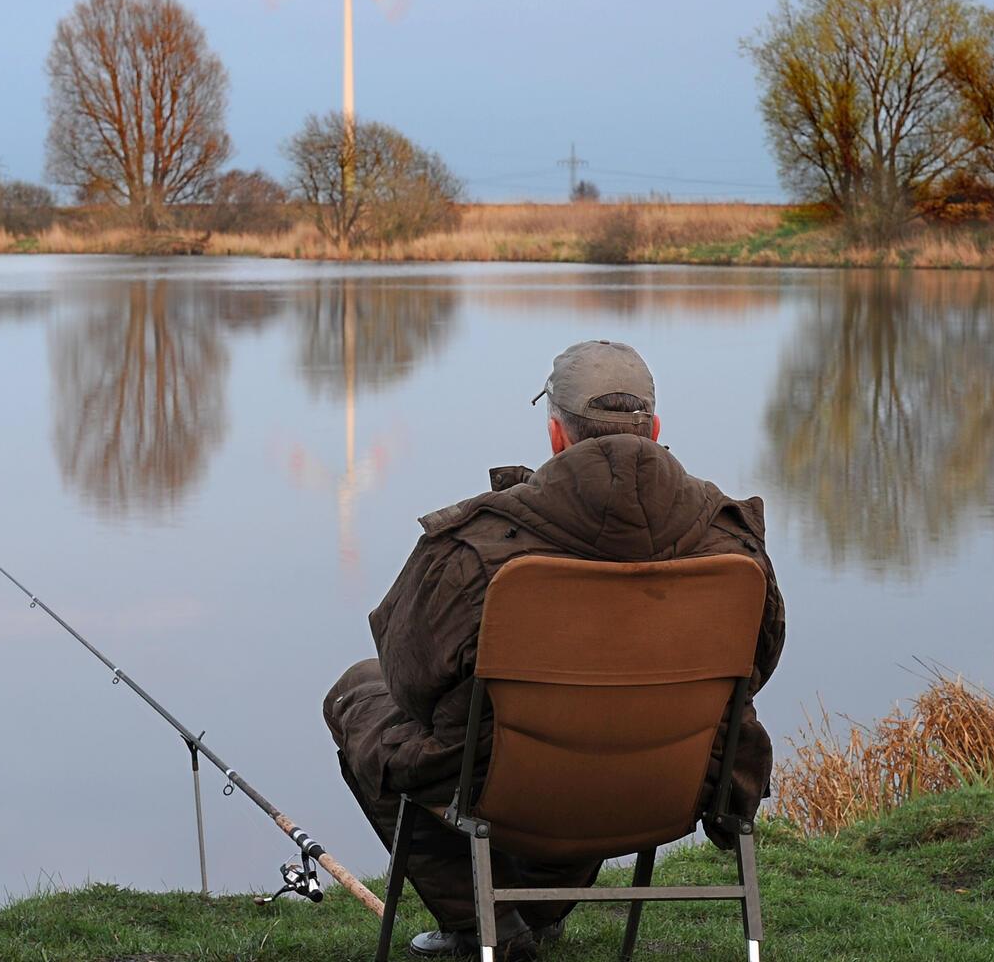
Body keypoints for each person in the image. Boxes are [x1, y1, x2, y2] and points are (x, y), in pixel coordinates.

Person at [323, 340, 787, 960]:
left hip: (511, 788)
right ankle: (534, 913)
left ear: (555, 436)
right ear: (654, 429)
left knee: (361, 691)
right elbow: (759, 666)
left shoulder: (474, 549)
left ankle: (482, 922)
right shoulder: (735, 546)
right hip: (678, 784)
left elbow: (410, 682)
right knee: (612, 709)